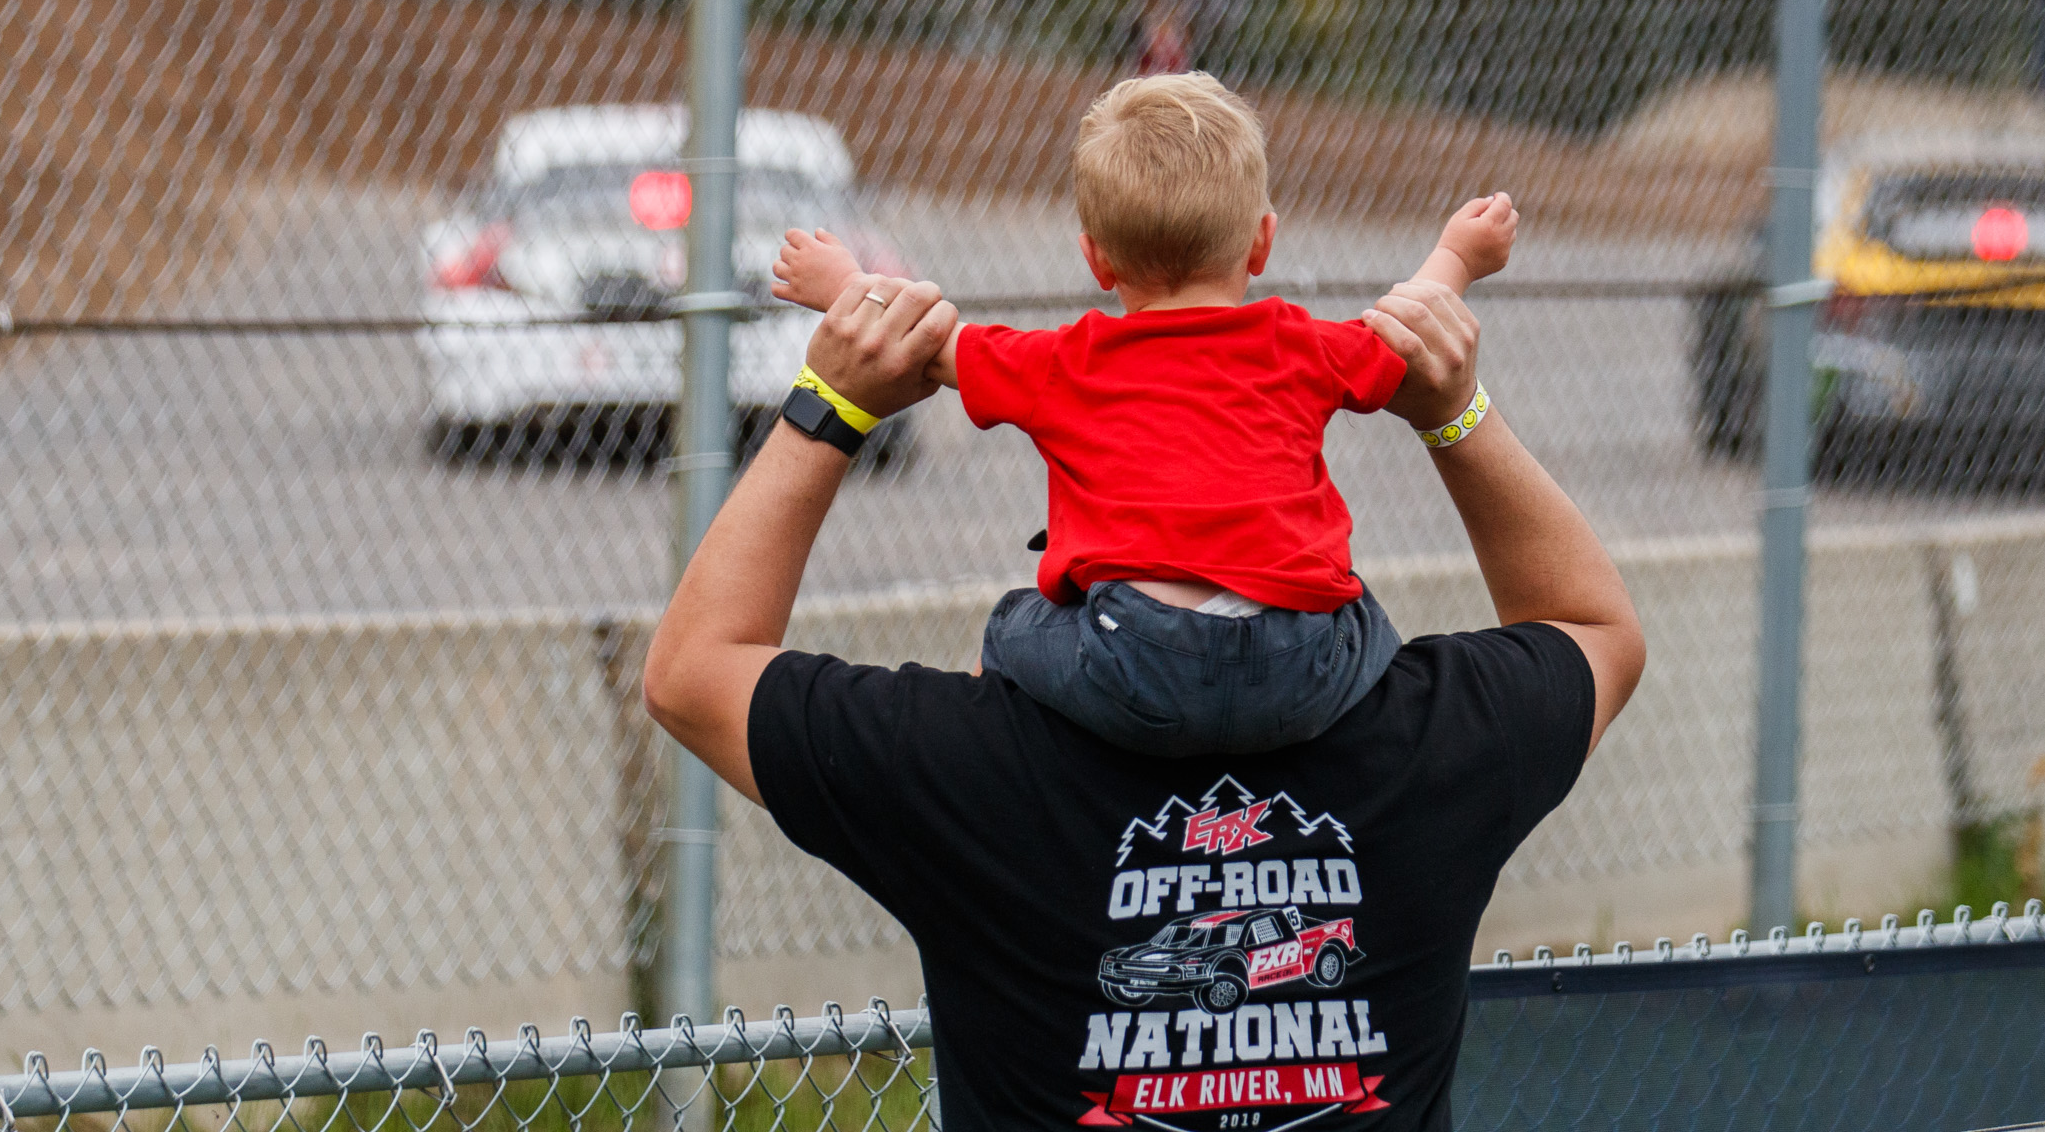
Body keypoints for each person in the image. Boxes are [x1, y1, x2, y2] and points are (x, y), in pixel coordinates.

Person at [643, 275, 1642, 1132]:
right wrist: (1453, 411)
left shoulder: (965, 764)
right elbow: (1596, 630)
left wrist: (832, 405)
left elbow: (693, 669)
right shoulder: (1438, 737)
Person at [768, 72, 1520, 755]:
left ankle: (985, 762)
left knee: (1013, 624)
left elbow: (931, 345)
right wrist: (1459, 252)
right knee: (1364, 616)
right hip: (1302, 664)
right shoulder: (1301, 346)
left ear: (1096, 260)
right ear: (1262, 242)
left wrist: (846, 283)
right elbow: (1408, 332)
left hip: (1132, 665)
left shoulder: (1063, 361)